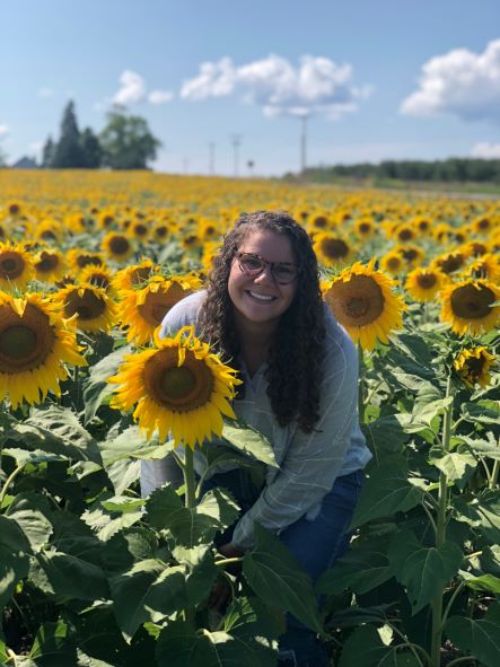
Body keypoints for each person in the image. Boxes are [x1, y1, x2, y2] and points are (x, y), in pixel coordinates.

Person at [141, 210, 371, 666]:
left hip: (320, 484)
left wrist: (234, 551)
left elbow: (312, 471)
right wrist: (171, 532)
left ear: (302, 279)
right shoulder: (184, 325)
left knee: (282, 612)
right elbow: (161, 440)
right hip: (223, 474)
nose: (265, 279)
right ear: (228, 262)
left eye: (284, 270)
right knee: (206, 605)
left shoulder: (330, 349)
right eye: (251, 262)